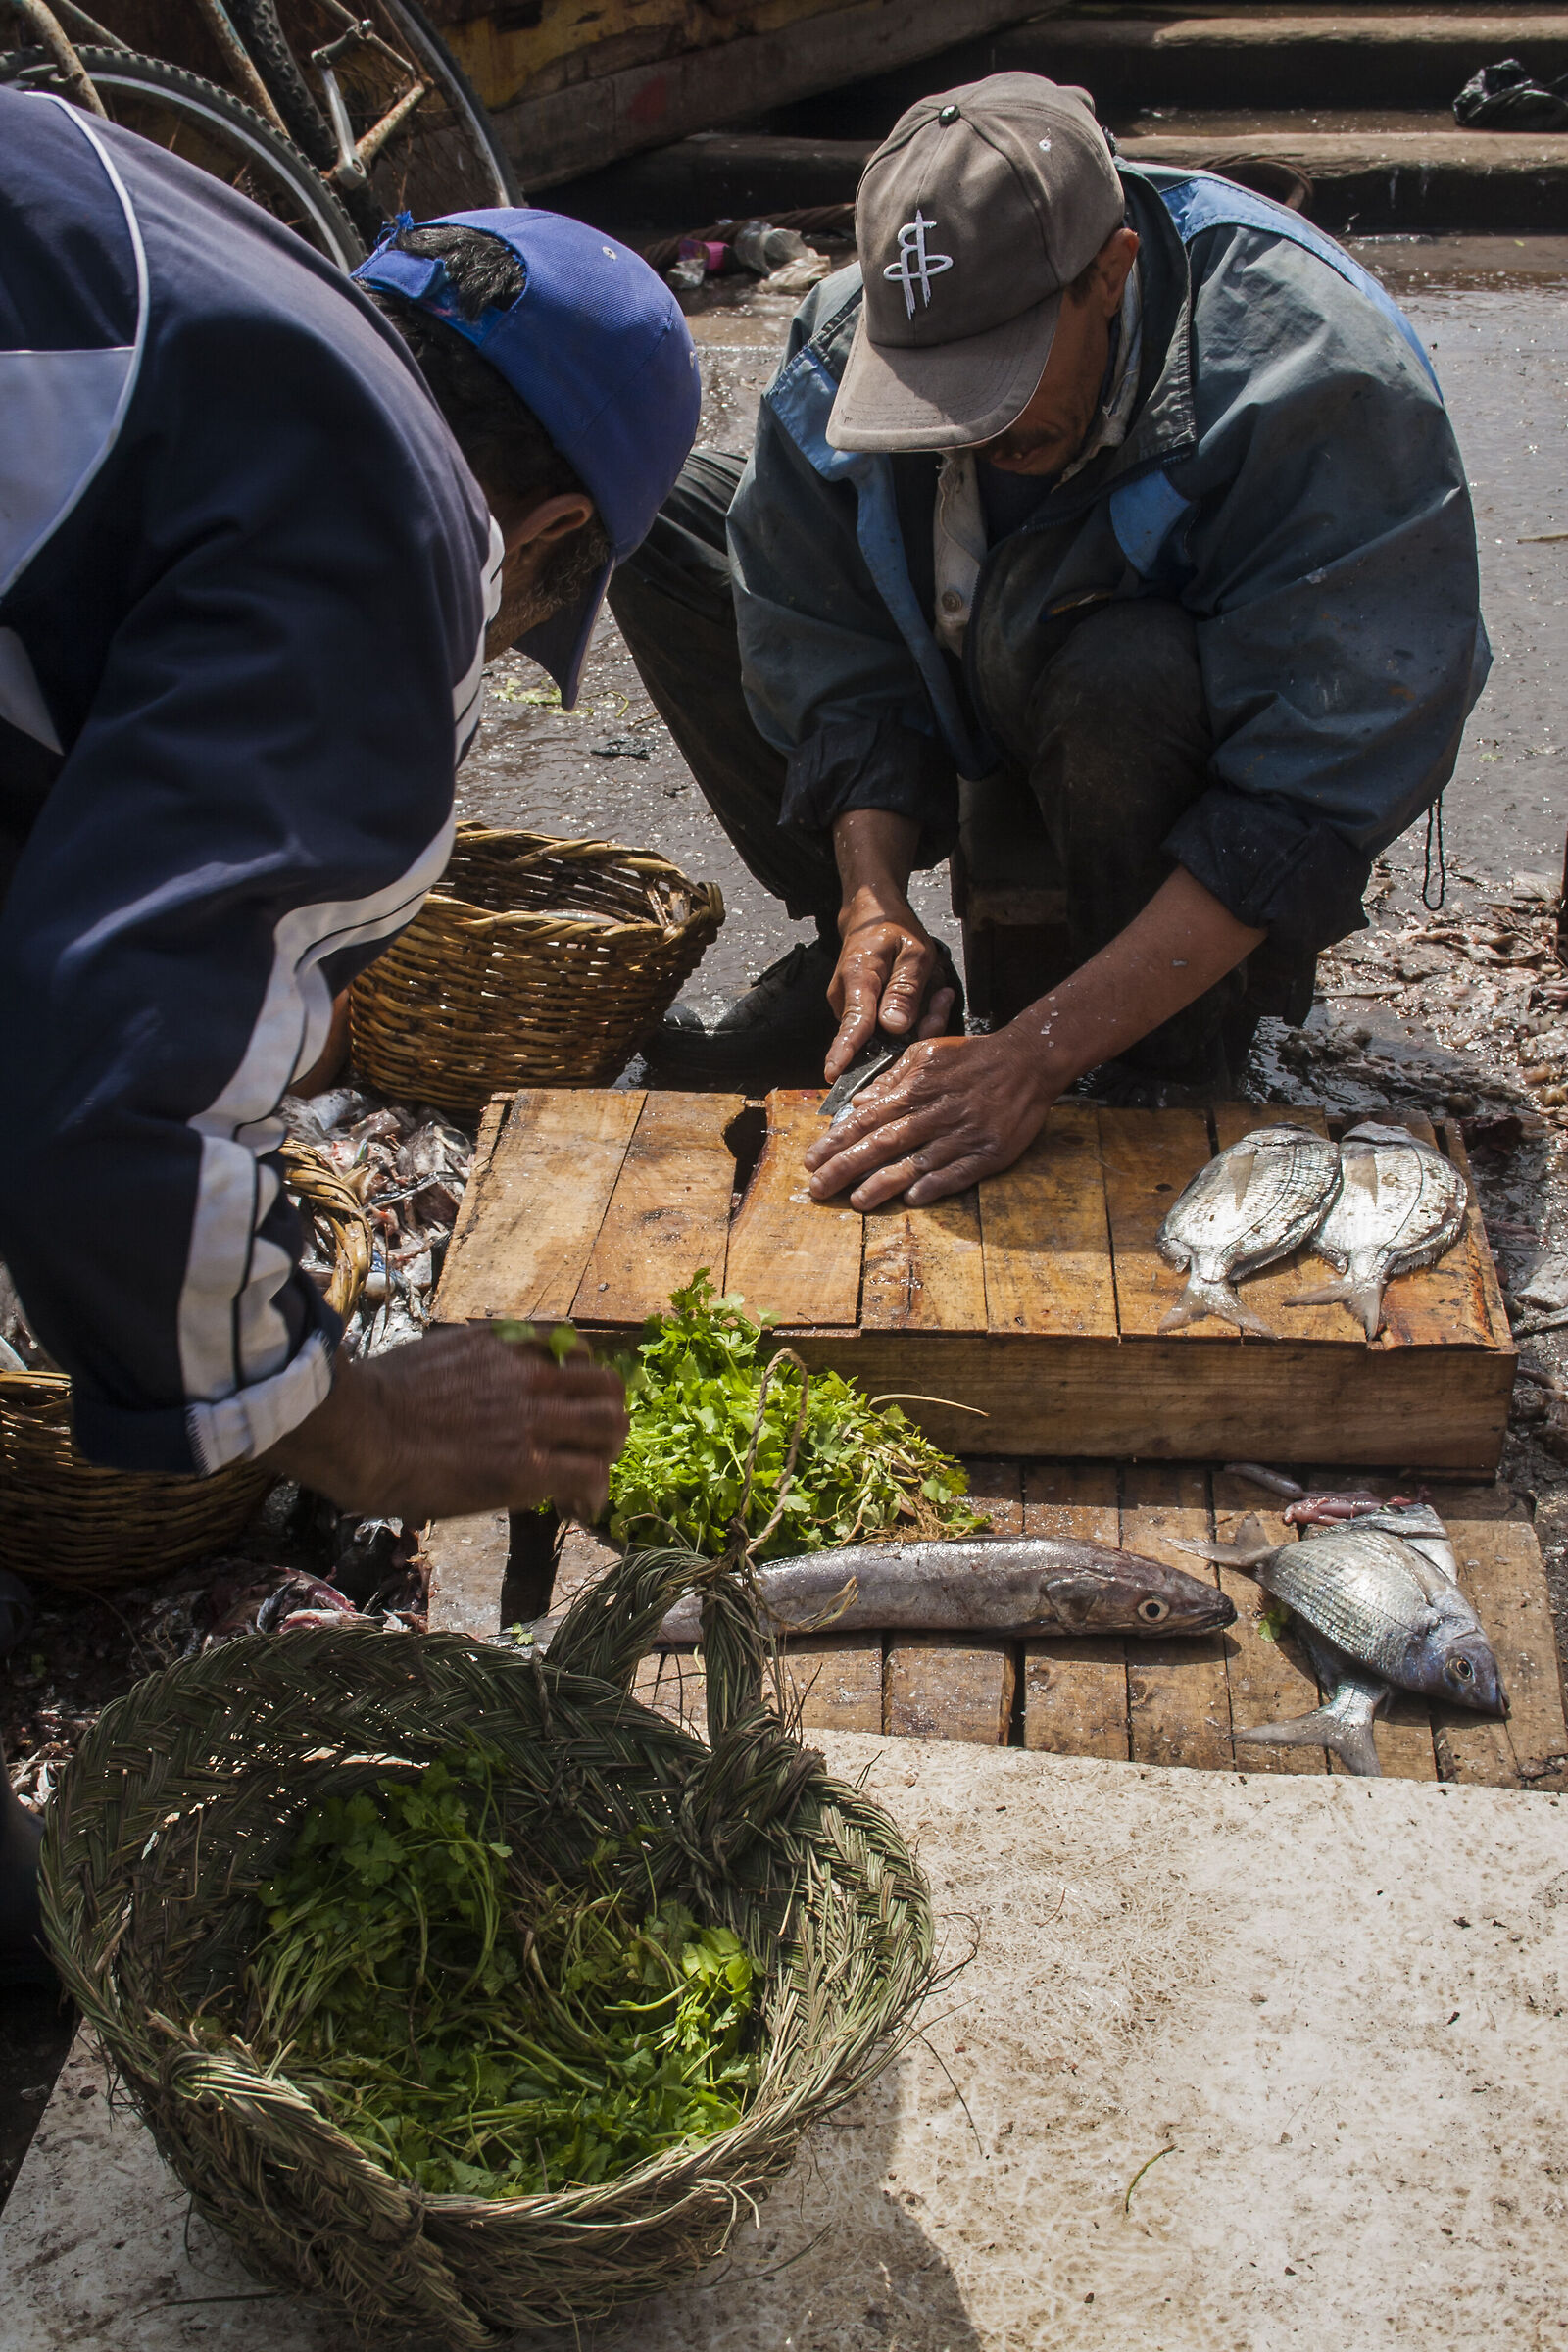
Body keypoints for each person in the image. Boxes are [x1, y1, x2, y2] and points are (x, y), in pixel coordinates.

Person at [0, 87, 700, 1977]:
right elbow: (96, 1107)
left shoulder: (228, 299)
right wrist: (352, 1421)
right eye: (527, 616)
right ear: (547, 535)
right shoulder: (391, 522)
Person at [611, 73, 1487, 1212]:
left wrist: (1035, 1054)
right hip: (982, 656)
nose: (968, 428)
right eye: (930, 389)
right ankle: (861, 972)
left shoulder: (1312, 377)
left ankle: (1174, 1047)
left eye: (1000, 382)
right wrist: (872, 895)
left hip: (1151, 724)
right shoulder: (850, 330)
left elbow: (1302, 796)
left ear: (1110, 274)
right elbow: (824, 646)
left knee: (1123, 670)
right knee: (665, 518)